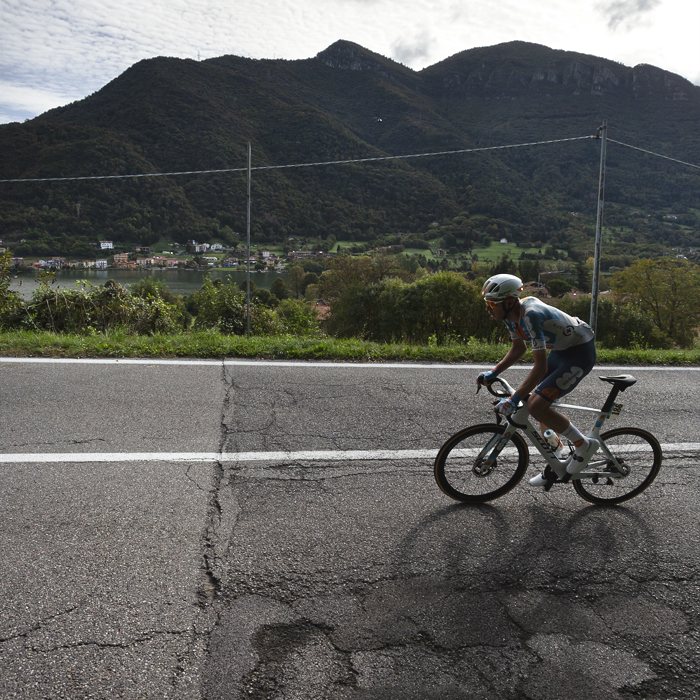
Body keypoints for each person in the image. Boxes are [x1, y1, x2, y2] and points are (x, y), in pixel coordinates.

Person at [476, 273, 598, 487]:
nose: (487, 309)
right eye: (486, 303)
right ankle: (558, 462)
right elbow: (518, 349)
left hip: (580, 352)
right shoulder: (510, 317)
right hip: (562, 351)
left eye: (491, 304)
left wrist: (513, 400)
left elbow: (540, 368)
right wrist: (493, 373)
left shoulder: (531, 315)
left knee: (536, 405)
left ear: (509, 301)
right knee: (535, 401)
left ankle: (583, 445)